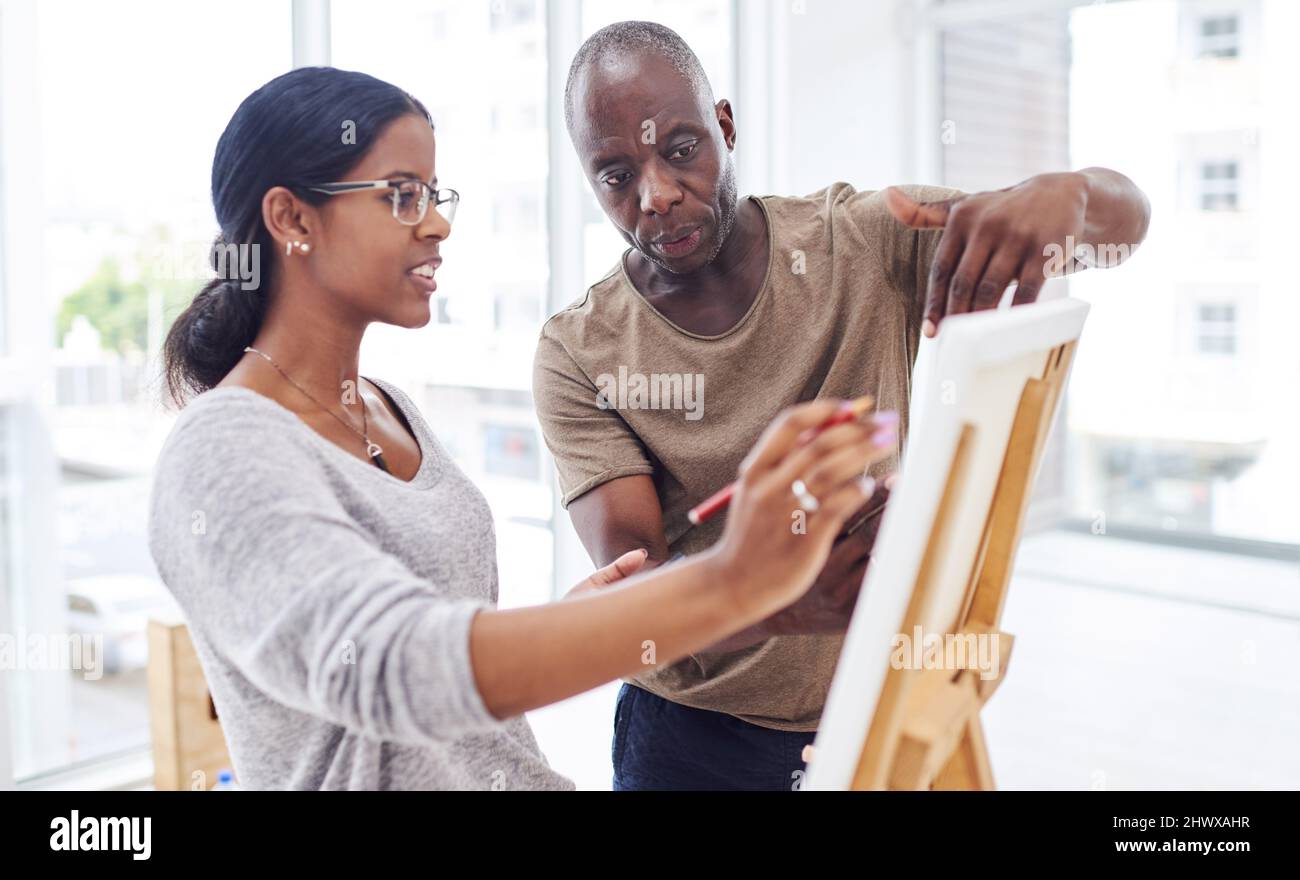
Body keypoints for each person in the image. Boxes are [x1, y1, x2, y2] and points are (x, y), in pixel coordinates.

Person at [147, 66, 894, 791]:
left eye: (435, 195)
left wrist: (590, 620)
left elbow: (462, 687)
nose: (437, 223)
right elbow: (402, 669)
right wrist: (730, 579)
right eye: (402, 196)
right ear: (291, 219)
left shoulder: (390, 410)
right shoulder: (223, 448)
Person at [532, 21, 1151, 790]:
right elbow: (636, 593)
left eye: (682, 149)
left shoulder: (860, 242)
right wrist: (775, 589)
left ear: (726, 126)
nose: (655, 196)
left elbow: (1122, 233)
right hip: (692, 743)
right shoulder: (579, 350)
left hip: (877, 707)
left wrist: (1072, 194)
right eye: (615, 175)